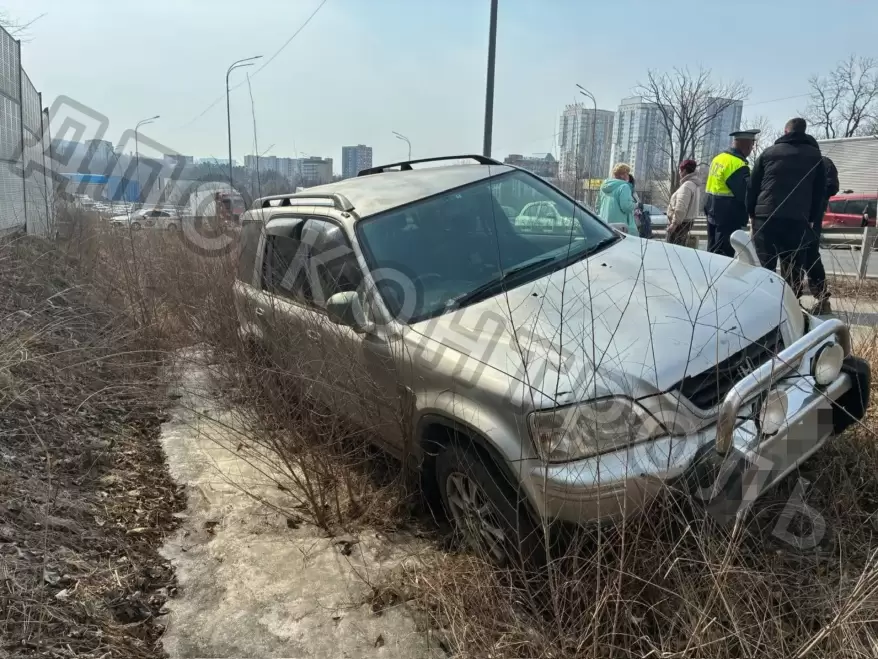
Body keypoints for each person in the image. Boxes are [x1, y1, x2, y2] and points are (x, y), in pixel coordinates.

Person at [747, 117, 826, 298]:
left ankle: (762, 302)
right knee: (793, 267)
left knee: (764, 264)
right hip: (797, 221)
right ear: (804, 132)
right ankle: (790, 307)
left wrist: (752, 212)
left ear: (785, 131)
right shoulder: (815, 157)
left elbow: (752, 186)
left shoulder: (768, 153)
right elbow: (819, 192)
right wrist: (812, 218)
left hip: (765, 217)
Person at [704, 130, 760, 256]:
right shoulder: (737, 165)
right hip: (728, 215)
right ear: (745, 145)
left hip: (712, 211)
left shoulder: (718, 158)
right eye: (751, 146)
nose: (751, 149)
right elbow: (745, 194)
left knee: (712, 252)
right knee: (723, 255)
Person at [797, 155, 839, 314]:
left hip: (812, 216)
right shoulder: (797, 160)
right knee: (795, 256)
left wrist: (816, 199)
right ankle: (794, 298)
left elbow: (832, 186)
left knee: (810, 255)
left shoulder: (824, 162)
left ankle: (821, 298)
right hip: (795, 214)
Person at [597, 163, 638, 234]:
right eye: (627, 173)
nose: (628, 176)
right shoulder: (624, 186)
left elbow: (597, 206)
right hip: (620, 227)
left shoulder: (604, 186)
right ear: (623, 175)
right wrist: (636, 205)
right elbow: (626, 207)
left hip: (605, 225)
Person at [666, 159, 699, 246]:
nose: (679, 173)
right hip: (686, 223)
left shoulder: (687, 185)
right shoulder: (694, 185)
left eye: (680, 170)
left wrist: (674, 224)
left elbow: (681, 206)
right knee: (680, 249)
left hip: (679, 224)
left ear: (684, 170)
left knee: (673, 250)